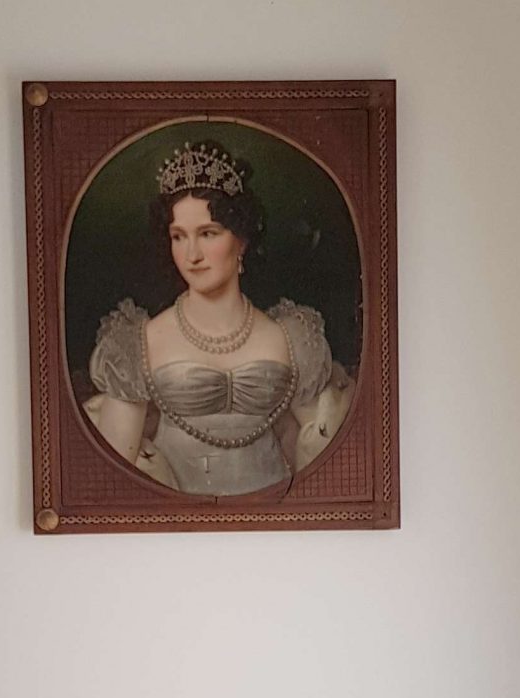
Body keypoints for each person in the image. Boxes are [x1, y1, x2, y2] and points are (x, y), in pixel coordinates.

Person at [86, 142, 350, 496]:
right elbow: (114, 474)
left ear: (240, 240)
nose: (192, 254)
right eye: (179, 237)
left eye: (208, 233)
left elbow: (325, 450)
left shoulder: (290, 336)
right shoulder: (138, 340)